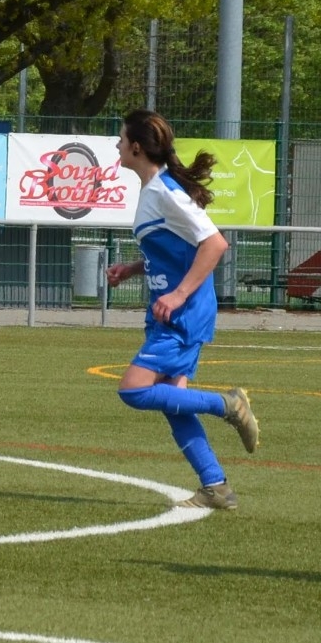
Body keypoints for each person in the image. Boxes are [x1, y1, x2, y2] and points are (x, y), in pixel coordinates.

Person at [107, 109, 260, 510]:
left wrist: (177, 296)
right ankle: (216, 487)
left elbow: (214, 244)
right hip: (169, 313)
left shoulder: (165, 191)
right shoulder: (154, 190)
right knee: (173, 403)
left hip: (183, 314)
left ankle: (228, 405)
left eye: (120, 139)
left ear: (136, 148)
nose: (117, 145)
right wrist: (133, 269)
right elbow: (178, 251)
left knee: (134, 390)